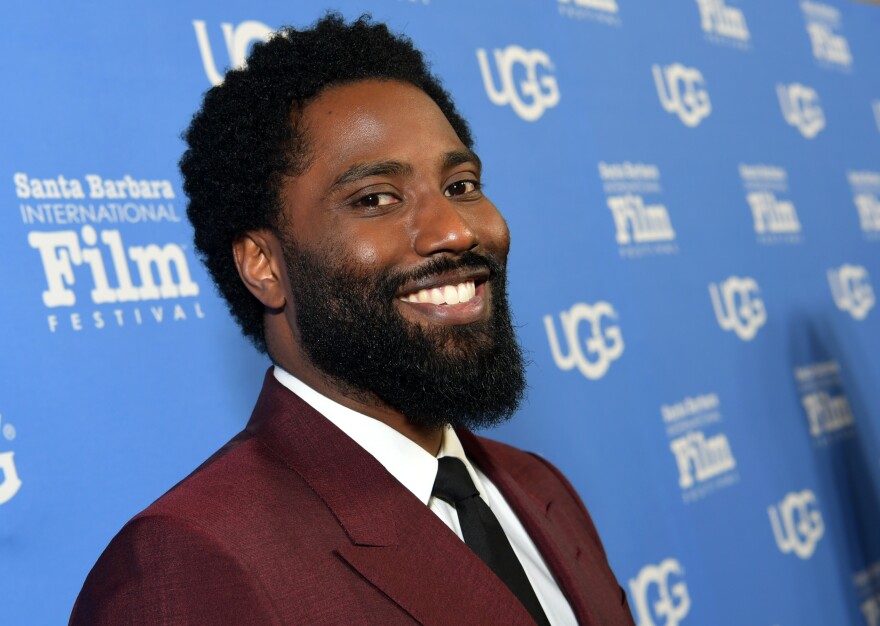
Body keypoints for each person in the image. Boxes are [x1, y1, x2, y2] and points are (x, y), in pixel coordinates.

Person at [71, 14, 634, 625]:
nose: (455, 229)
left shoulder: (540, 489)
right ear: (263, 264)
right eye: (375, 199)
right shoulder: (185, 566)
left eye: (462, 183)